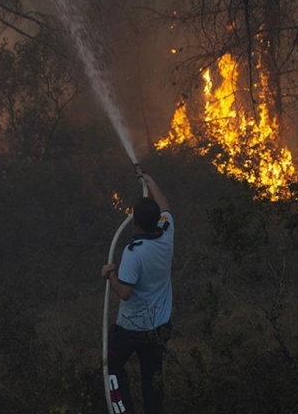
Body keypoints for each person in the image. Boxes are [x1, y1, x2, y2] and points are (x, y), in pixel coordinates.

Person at [101, 172, 174, 414]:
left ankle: (122, 411)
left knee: (112, 366)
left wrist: (109, 274)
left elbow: (124, 293)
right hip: (159, 327)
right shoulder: (167, 232)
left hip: (132, 328)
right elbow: (165, 205)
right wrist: (149, 180)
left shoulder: (134, 253)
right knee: (152, 379)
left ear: (136, 223)